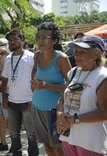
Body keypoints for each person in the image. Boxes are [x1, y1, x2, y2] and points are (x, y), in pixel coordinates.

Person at [57, 35, 107, 156]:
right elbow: (62, 99)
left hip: (90, 141)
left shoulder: (102, 77)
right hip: (69, 137)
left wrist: (75, 119)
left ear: (96, 53)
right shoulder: (73, 72)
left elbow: (105, 113)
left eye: (82, 52)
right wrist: (59, 115)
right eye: (76, 51)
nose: (76, 55)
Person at [31, 22, 71, 156]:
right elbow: (35, 74)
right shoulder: (37, 55)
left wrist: (46, 86)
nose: (40, 40)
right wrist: (34, 83)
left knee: (59, 149)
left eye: (44, 37)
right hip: (37, 108)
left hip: (54, 111)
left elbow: (72, 87)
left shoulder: (61, 58)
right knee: (47, 147)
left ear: (55, 40)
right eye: (38, 37)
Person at [1, 30, 39, 156]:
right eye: (10, 40)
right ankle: (16, 153)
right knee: (13, 133)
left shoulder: (31, 57)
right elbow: (5, 79)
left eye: (15, 39)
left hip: (28, 101)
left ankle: (33, 153)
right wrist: (4, 98)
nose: (12, 42)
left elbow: (37, 79)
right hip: (12, 102)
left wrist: (34, 99)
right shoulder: (7, 58)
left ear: (22, 41)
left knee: (31, 134)